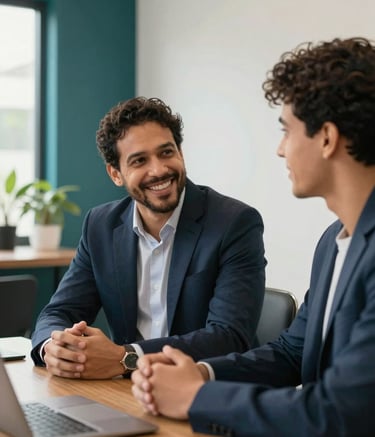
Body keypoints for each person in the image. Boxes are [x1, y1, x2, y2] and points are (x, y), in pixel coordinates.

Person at [131, 37, 375, 436]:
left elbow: (341, 413)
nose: (281, 150)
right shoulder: (334, 242)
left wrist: (195, 397)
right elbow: (292, 352)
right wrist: (201, 373)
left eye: (287, 130)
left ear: (327, 138)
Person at [30, 97, 266, 380]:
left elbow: (229, 336)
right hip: (129, 390)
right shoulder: (101, 225)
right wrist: (53, 348)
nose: (158, 170)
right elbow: (59, 311)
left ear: (180, 152)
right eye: (139, 160)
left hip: (209, 392)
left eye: (166, 153)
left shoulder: (234, 222)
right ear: (116, 174)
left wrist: (126, 357)